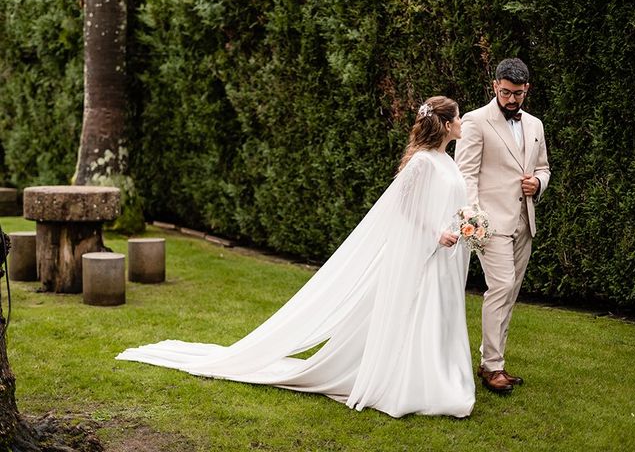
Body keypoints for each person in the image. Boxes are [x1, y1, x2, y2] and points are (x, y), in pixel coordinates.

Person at [118, 96, 475, 418]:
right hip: (428, 251)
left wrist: (468, 223)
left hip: (445, 255)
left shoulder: (447, 160)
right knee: (420, 315)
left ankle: (437, 375)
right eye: (457, 117)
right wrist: (434, 233)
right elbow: (405, 210)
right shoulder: (422, 163)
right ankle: (416, 384)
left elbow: (448, 201)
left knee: (439, 315)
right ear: (445, 125)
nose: (461, 121)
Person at [454, 58, 551, 393]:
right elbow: (465, 172)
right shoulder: (475, 120)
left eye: (518, 94)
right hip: (490, 224)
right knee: (502, 285)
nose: (512, 100)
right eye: (507, 92)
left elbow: (544, 168)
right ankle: (492, 368)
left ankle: (492, 361)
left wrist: (538, 184)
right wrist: (473, 215)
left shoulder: (536, 125)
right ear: (495, 86)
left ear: (527, 90)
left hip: (525, 221)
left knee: (509, 292)